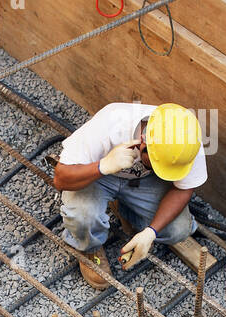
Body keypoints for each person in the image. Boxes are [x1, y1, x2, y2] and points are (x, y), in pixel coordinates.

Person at [53, 103, 207, 287]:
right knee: (82, 215)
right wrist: (103, 166)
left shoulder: (186, 143)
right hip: (100, 176)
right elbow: (61, 179)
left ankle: (129, 215)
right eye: (158, 165)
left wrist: (151, 232)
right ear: (143, 142)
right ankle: (90, 247)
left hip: (142, 181)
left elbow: (184, 188)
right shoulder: (111, 123)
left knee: (178, 229)